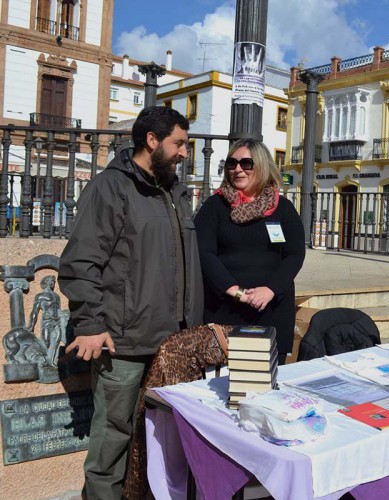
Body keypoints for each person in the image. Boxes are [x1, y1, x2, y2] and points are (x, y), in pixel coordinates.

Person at [58, 106, 204, 499]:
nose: (184, 153)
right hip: (123, 343)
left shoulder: (175, 191)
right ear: (152, 141)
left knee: (164, 442)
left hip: (172, 343)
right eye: (179, 143)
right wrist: (89, 323)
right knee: (113, 440)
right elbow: (80, 261)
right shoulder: (110, 187)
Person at [195, 139, 304, 365]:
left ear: (262, 166)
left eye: (246, 163)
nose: (237, 169)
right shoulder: (214, 207)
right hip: (225, 311)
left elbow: (295, 254)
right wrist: (237, 292)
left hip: (272, 311)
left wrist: (270, 289)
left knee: (265, 383)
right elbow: (205, 253)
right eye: (232, 163)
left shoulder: (283, 208)